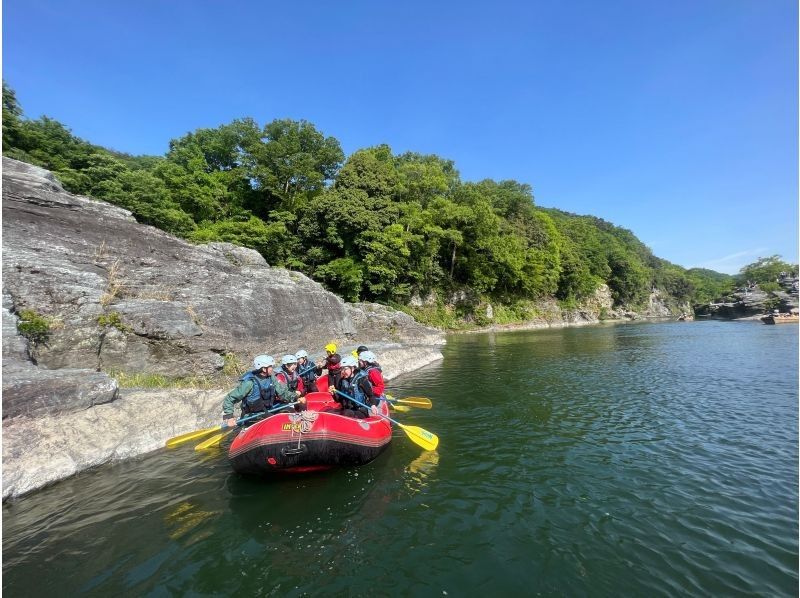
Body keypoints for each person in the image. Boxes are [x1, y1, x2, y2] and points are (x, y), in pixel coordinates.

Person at [222, 355, 290, 427]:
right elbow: (229, 398)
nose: (272, 369)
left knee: (288, 410)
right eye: (270, 367)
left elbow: (282, 393)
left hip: (268, 410)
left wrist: (296, 396)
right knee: (271, 419)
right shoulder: (249, 382)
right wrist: (229, 417)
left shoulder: (271, 378)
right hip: (252, 415)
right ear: (264, 369)